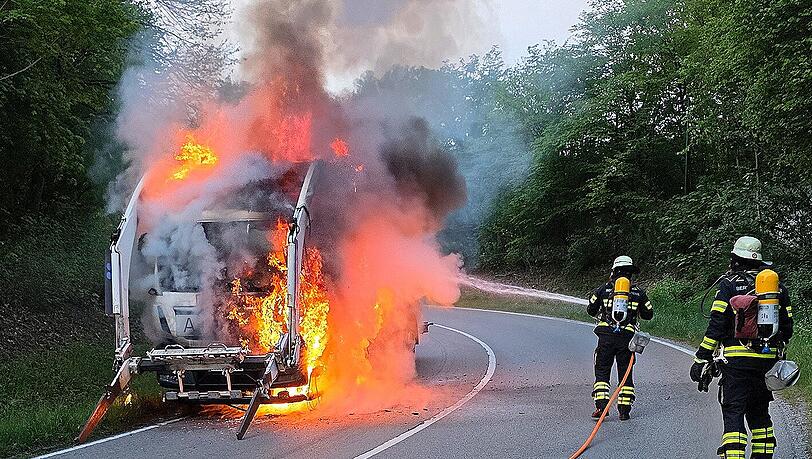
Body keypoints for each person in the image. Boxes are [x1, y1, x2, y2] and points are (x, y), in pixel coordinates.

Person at [690, 236, 794, 459]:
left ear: (735, 259)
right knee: (759, 412)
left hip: (736, 363)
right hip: (767, 362)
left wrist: (701, 358)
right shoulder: (777, 288)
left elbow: (716, 324)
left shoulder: (728, 284)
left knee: (734, 411)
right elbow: (787, 327)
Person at [587, 255, 654, 421]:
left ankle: (601, 407)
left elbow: (591, 309)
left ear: (613, 271)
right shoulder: (638, 292)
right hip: (627, 338)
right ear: (631, 273)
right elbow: (648, 314)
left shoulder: (603, 290)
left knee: (602, 370)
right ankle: (624, 410)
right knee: (625, 372)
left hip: (606, 337)